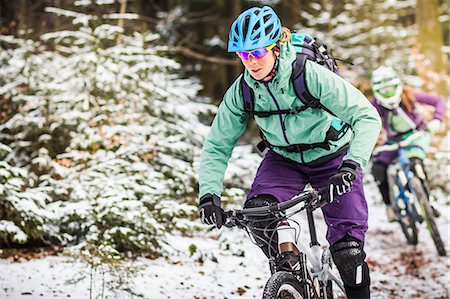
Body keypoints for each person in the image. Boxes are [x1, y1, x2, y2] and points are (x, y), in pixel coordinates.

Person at [198, 6, 381, 298]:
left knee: (348, 253)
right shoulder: (242, 90)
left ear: (276, 47)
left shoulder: (308, 74)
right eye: (244, 55)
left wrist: (351, 165)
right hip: (284, 159)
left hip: (332, 155)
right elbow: (218, 144)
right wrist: (208, 194)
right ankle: (289, 272)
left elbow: (367, 116)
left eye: (257, 53)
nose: (251, 63)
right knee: (259, 215)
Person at [370, 66, 446, 221]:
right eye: (383, 90)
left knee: (416, 164)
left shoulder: (409, 95)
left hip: (416, 136)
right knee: (378, 170)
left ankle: (427, 201)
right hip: (391, 142)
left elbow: (439, 101)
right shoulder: (374, 106)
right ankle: (389, 206)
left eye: (390, 88)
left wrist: (436, 120)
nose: (388, 93)